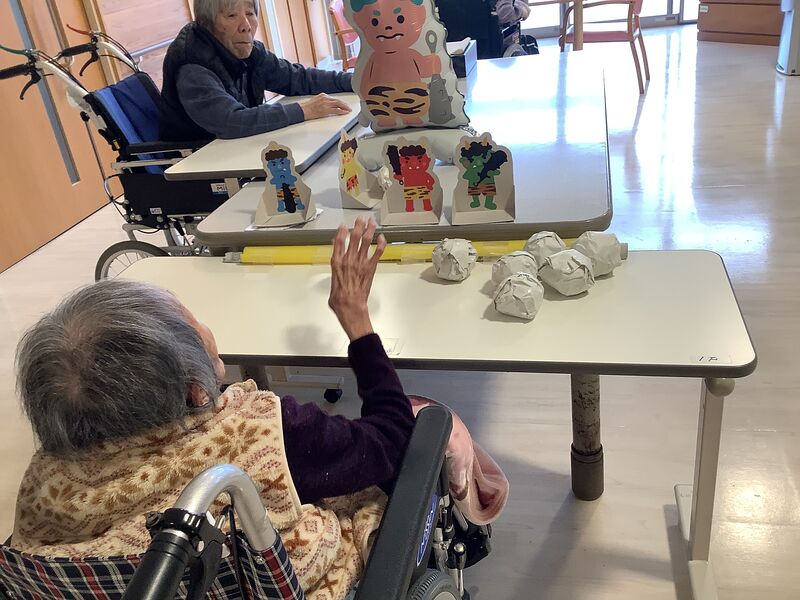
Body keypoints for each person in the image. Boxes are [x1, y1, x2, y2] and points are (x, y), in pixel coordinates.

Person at [12, 218, 411, 599]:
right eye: (193, 323)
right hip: (284, 579)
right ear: (196, 392)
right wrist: (357, 321)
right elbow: (392, 438)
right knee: (421, 421)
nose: (204, 327)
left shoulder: (43, 486)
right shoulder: (261, 432)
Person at [160, 0, 355, 142]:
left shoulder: (248, 50)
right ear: (206, 23)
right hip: (201, 166)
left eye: (250, 13)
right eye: (231, 15)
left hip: (239, 151)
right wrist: (304, 110)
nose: (246, 26)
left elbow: (298, 78)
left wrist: (357, 81)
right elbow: (230, 121)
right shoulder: (192, 65)